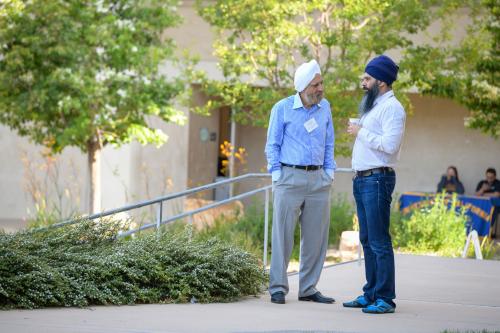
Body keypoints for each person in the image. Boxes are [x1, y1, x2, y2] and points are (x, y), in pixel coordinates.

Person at [264, 59, 336, 305]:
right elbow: (272, 144)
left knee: (316, 239)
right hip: (289, 177)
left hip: (319, 180)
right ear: (303, 88)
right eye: (316, 85)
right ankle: (277, 287)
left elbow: (329, 143)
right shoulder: (282, 108)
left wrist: (329, 172)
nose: (320, 89)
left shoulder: (325, 107)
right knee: (282, 236)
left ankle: (308, 288)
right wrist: (277, 175)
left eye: (321, 83)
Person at [345, 55, 406, 314]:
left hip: (378, 179)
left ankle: (385, 298)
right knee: (367, 239)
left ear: (381, 81)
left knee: (379, 241)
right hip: (363, 179)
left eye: (367, 78)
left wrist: (361, 132)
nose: (363, 82)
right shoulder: (374, 106)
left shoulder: (393, 108)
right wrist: (361, 127)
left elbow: (390, 146)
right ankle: (370, 293)